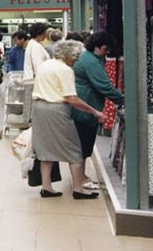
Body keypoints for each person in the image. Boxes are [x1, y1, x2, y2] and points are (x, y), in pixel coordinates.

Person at [31, 40, 106, 199]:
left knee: (46, 149)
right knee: (74, 149)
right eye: (76, 56)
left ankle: (46, 187)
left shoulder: (45, 65)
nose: (77, 59)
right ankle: (78, 188)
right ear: (70, 56)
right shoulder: (65, 70)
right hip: (57, 110)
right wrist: (95, 112)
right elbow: (71, 98)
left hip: (39, 108)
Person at [73, 31, 124, 190]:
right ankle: (80, 180)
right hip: (86, 107)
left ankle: (81, 177)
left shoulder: (89, 57)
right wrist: (123, 99)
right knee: (83, 144)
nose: (106, 52)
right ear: (97, 47)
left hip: (84, 106)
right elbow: (104, 86)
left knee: (82, 144)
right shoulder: (92, 62)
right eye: (105, 49)